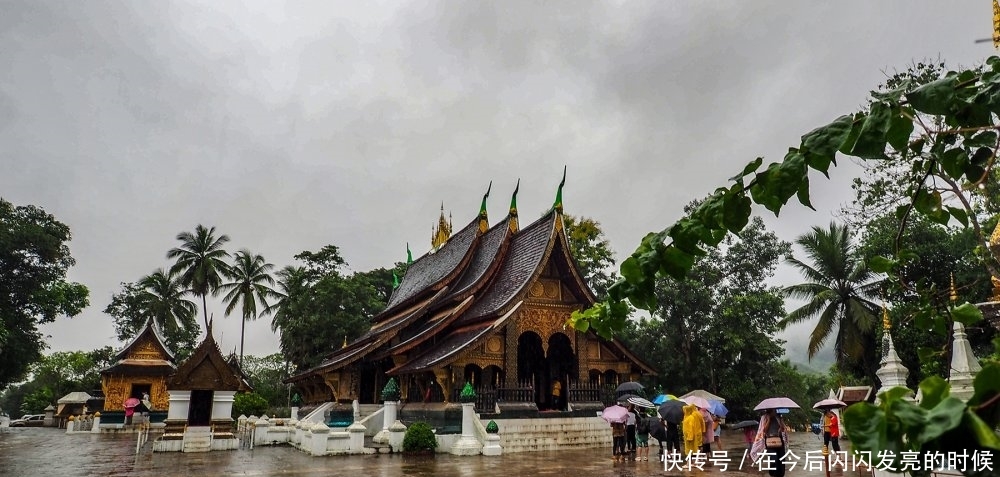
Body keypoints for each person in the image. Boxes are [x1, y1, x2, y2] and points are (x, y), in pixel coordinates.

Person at [752, 409, 788, 477]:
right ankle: (773, 474)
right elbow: (764, 430)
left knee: (781, 461)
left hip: (779, 440)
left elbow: (783, 428)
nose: (774, 410)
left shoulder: (778, 416)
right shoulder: (764, 417)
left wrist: (781, 424)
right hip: (769, 441)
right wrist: (769, 419)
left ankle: (780, 475)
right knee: (774, 459)